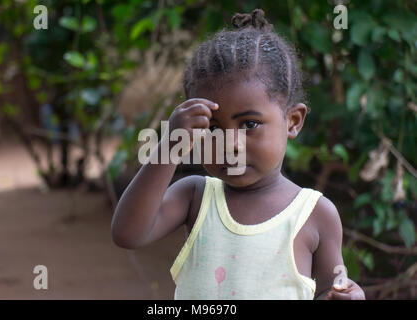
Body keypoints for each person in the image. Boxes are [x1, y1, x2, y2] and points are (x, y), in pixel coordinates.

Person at [111, 8, 365, 300]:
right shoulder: (195, 197)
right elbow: (127, 234)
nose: (230, 144)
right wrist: (169, 146)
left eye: (249, 124)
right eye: (213, 128)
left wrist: (345, 296)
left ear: (292, 121)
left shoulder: (315, 214)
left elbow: (329, 290)